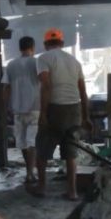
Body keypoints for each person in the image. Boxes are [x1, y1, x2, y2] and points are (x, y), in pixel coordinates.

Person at [28, 28, 91, 200]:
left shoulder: (43, 58)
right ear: (62, 43)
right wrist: (86, 117)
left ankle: (41, 188)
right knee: (70, 152)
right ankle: (73, 191)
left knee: (42, 150)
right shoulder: (75, 61)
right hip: (74, 110)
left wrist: (43, 114)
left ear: (46, 44)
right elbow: (83, 92)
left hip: (55, 109)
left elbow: (46, 87)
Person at [2, 36, 40, 184]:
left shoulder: (11, 65)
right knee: (31, 142)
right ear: (33, 47)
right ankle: (30, 172)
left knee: (23, 142)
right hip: (35, 108)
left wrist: (4, 108)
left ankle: (29, 171)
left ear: (19, 48)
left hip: (17, 109)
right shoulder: (37, 63)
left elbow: (6, 87)